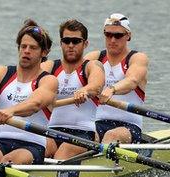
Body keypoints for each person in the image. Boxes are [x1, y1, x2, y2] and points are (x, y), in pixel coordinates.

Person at [0, 20, 58, 165]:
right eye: (23, 46)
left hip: (32, 145)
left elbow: (34, 104)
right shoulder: (0, 73)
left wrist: (10, 111)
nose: (26, 51)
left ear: (44, 52)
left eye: (33, 48)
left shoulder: (48, 80)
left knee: (8, 161)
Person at [42, 19, 105, 159]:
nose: (70, 45)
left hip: (82, 133)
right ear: (61, 43)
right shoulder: (49, 67)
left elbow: (96, 85)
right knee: (40, 148)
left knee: (63, 153)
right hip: (50, 131)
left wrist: (85, 90)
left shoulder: (91, 66)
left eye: (76, 41)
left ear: (85, 44)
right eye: (66, 40)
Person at [84, 13, 148, 144]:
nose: (112, 40)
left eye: (118, 35)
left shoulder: (137, 58)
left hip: (129, 126)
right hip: (97, 123)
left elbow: (132, 81)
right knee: (85, 134)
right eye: (108, 34)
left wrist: (112, 89)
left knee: (111, 135)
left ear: (128, 35)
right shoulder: (94, 58)